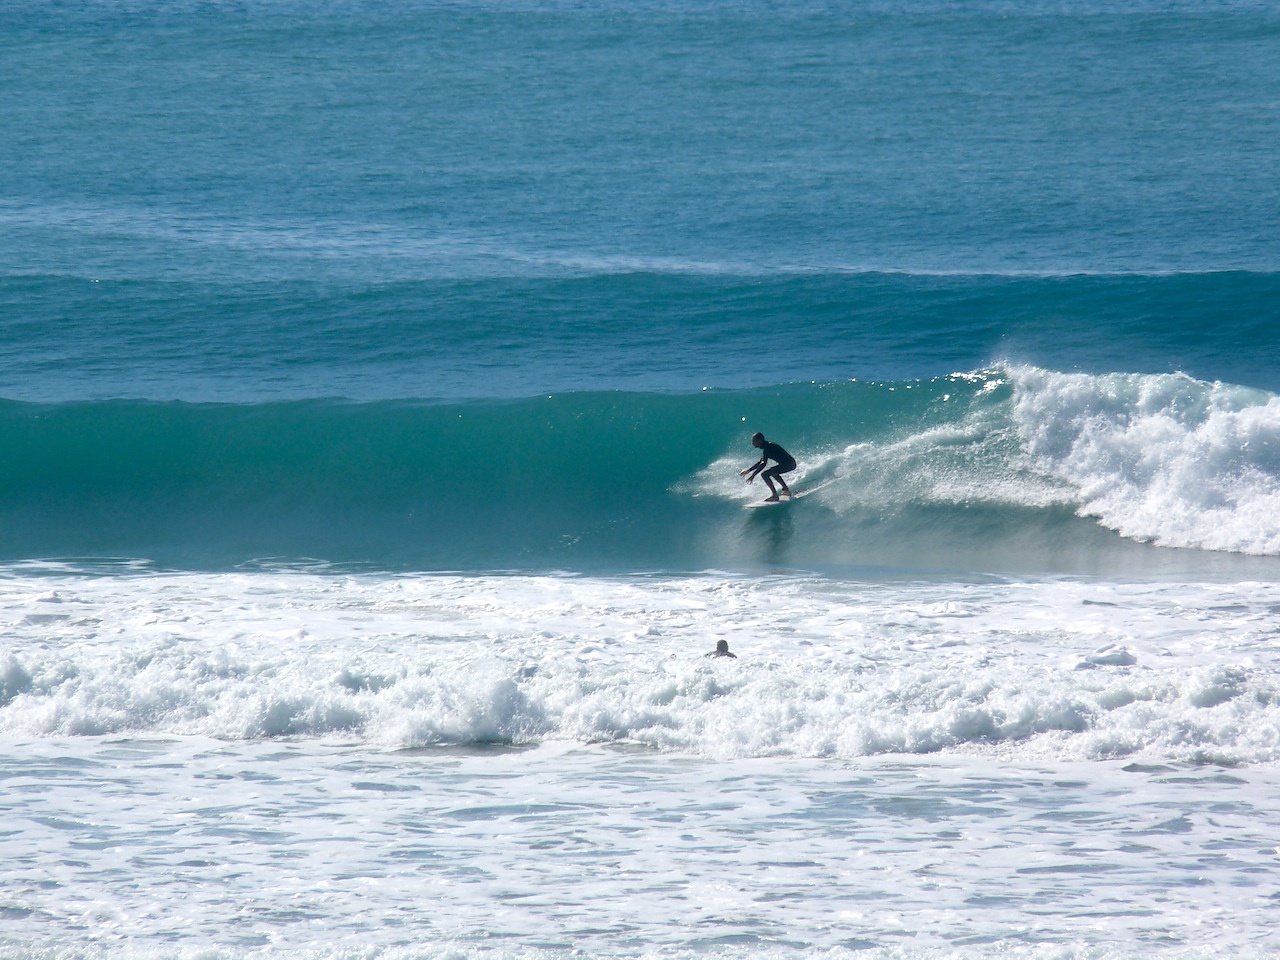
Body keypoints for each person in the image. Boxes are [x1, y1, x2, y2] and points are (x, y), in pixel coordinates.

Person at [740, 432, 796, 502]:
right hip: (789, 464)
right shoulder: (767, 447)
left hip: (790, 464)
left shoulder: (768, 447)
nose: (752, 443)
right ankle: (786, 490)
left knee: (765, 474)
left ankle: (775, 495)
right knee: (773, 472)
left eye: (754, 441)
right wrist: (749, 470)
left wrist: (753, 475)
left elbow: (763, 464)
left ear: (759, 440)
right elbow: (761, 462)